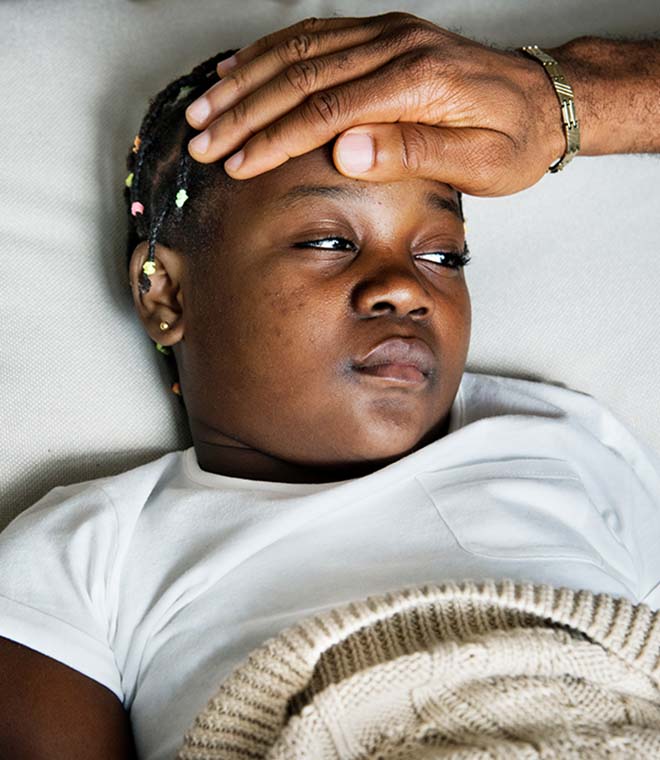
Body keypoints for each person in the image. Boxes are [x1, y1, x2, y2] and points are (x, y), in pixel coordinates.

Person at [0, 13, 658, 760]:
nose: (404, 288)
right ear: (165, 294)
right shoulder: (89, 554)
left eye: (444, 256)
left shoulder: (562, 440)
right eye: (328, 241)